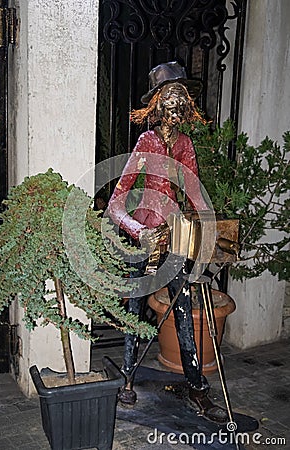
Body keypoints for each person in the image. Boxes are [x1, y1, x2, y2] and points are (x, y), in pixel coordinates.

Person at [107, 61, 227, 423]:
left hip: (175, 239)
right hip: (145, 239)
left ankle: (196, 384)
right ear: (157, 103)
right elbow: (115, 203)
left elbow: (196, 195)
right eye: (169, 96)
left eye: (181, 97)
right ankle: (127, 376)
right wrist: (138, 230)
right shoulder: (147, 142)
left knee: (184, 308)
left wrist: (212, 229)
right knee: (135, 309)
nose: (176, 104)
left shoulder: (186, 144)